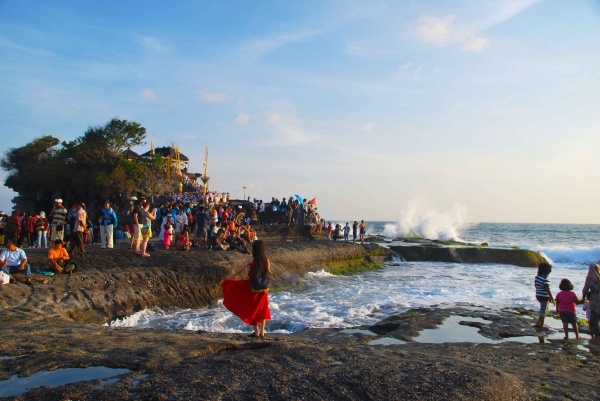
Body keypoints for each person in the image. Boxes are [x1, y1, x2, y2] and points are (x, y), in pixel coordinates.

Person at [221, 240, 272, 337]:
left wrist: (231, 276)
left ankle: (256, 332)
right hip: (263, 288)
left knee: (253, 308)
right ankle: (262, 332)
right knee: (263, 308)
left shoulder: (251, 259)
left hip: (252, 286)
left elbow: (241, 269)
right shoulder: (267, 260)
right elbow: (268, 273)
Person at [534, 262, 554, 330]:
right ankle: (541, 326)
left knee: (543, 309)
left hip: (538, 295)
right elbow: (547, 289)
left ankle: (538, 323)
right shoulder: (545, 279)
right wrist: (552, 298)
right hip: (544, 296)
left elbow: (536, 285)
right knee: (543, 311)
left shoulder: (537, 277)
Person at [582, 263, 600, 339]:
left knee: (594, 317)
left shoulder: (590, 278)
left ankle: (597, 333)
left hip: (595, 299)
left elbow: (585, 289)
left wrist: (583, 298)